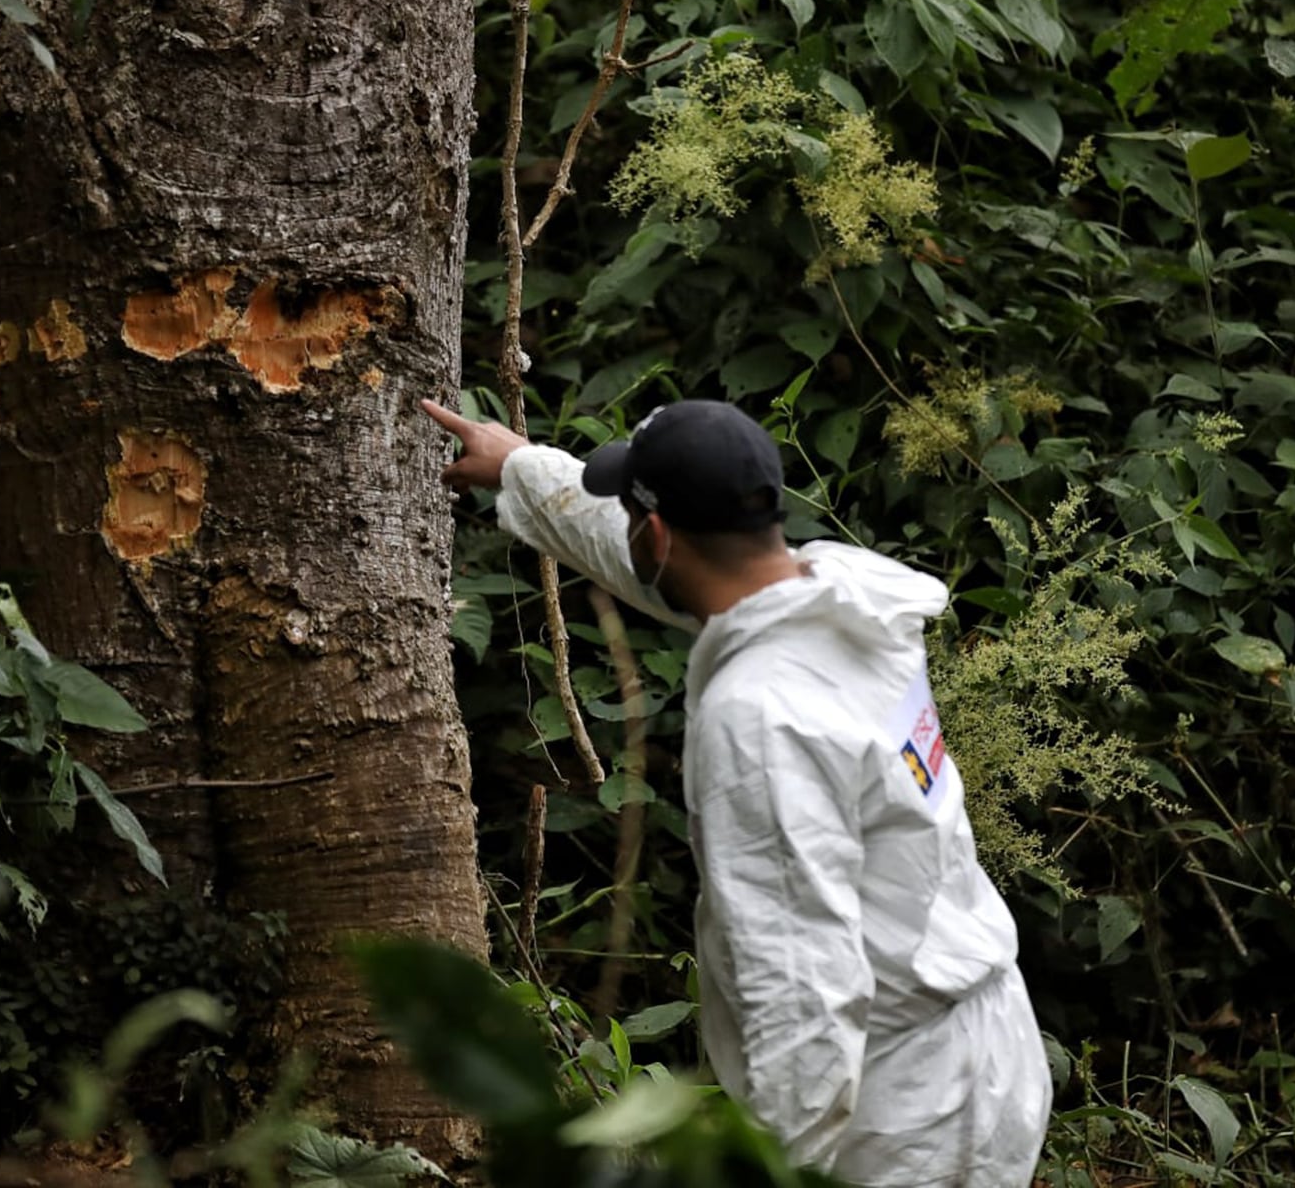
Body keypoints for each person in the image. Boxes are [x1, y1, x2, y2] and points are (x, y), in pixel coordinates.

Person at [422, 396, 1052, 1188]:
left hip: (894, 1113)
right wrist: (521, 465)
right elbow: (677, 578)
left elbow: (801, 987)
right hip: (984, 1050)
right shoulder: (847, 596)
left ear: (657, 531)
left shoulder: (759, 720)